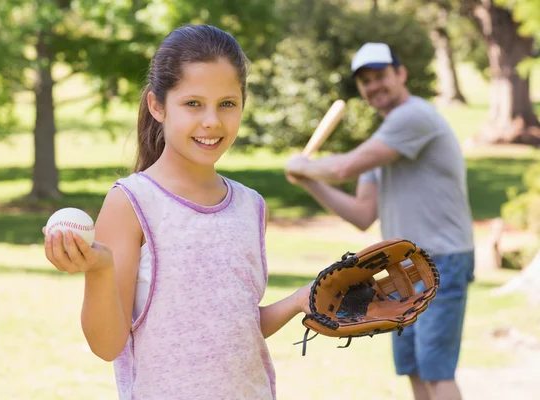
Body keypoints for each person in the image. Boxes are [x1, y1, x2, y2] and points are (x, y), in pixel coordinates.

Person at [43, 24, 311, 399]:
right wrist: (99, 271)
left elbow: (233, 328)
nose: (212, 121)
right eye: (193, 104)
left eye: (227, 104)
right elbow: (107, 345)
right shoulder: (132, 202)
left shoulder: (251, 206)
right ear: (157, 106)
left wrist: (300, 300)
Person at [285, 42, 475, 400]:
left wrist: (303, 166)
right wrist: (309, 180)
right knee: (415, 370)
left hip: (442, 259)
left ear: (401, 74)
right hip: (402, 266)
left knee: (436, 370)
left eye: (381, 75)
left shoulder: (414, 116)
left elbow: (343, 166)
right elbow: (361, 214)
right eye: (365, 80)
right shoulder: (384, 140)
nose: (374, 86)